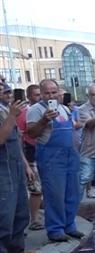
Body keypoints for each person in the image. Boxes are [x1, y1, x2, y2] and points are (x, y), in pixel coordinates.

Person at [27, 79, 82, 242]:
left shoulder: (64, 108)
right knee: (55, 195)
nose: (51, 95)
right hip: (51, 158)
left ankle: (69, 225)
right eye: (47, 93)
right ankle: (55, 229)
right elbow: (31, 133)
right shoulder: (35, 110)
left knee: (73, 193)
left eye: (53, 92)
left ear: (59, 92)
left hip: (71, 156)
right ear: (41, 94)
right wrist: (44, 120)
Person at [0, 82, 39, 253]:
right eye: (2, 88)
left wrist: (25, 165)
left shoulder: (6, 109)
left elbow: (16, 142)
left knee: (20, 209)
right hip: (2, 167)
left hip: (15, 165)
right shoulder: (8, 113)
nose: (6, 91)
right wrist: (12, 116)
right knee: (4, 212)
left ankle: (16, 251)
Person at [16, 84, 44, 230]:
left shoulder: (46, 110)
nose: (39, 97)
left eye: (41, 94)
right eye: (36, 95)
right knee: (36, 189)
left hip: (44, 153)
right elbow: (19, 138)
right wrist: (25, 163)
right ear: (28, 97)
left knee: (42, 189)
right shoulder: (23, 114)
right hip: (31, 153)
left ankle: (38, 214)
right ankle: (34, 218)